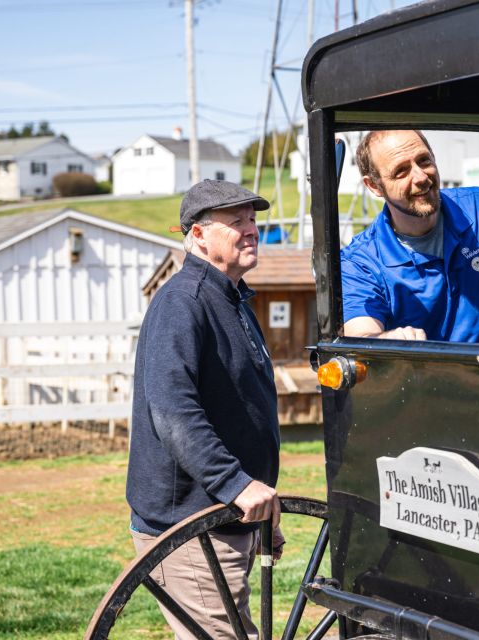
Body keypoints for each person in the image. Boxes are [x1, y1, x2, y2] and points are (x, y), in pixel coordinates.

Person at [126, 179, 284, 639]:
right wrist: (236, 484)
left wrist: (258, 506)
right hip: (190, 528)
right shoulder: (183, 302)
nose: (251, 230)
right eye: (237, 222)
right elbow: (174, 412)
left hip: (225, 517)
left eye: (253, 220)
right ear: (198, 235)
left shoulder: (231, 299)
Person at [341, 129, 479, 342]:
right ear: (374, 186)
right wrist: (386, 339)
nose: (421, 177)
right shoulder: (360, 262)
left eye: (424, 161)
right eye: (401, 171)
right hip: (419, 375)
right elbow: (360, 336)